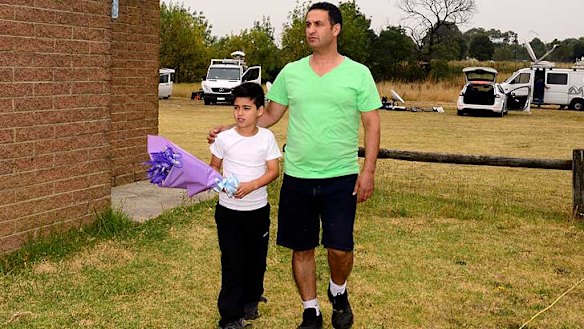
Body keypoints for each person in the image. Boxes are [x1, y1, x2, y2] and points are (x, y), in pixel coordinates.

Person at [208, 2, 381, 328]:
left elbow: (372, 124)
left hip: (341, 176)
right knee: (301, 248)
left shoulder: (358, 74)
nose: (311, 30)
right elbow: (269, 115)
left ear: (335, 29)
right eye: (307, 25)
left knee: (339, 249)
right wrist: (229, 128)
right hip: (298, 177)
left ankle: (338, 290)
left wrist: (368, 170)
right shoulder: (292, 71)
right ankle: (310, 310)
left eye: (317, 24)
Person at [209, 82, 282, 329]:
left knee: (256, 260)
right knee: (232, 262)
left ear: (260, 111)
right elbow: (213, 169)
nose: (240, 114)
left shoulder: (267, 138)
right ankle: (230, 316)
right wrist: (220, 185)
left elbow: (274, 171)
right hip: (229, 213)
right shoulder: (224, 139)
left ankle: (251, 300)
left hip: (258, 211)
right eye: (236, 108)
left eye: (247, 108)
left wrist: (252, 185)